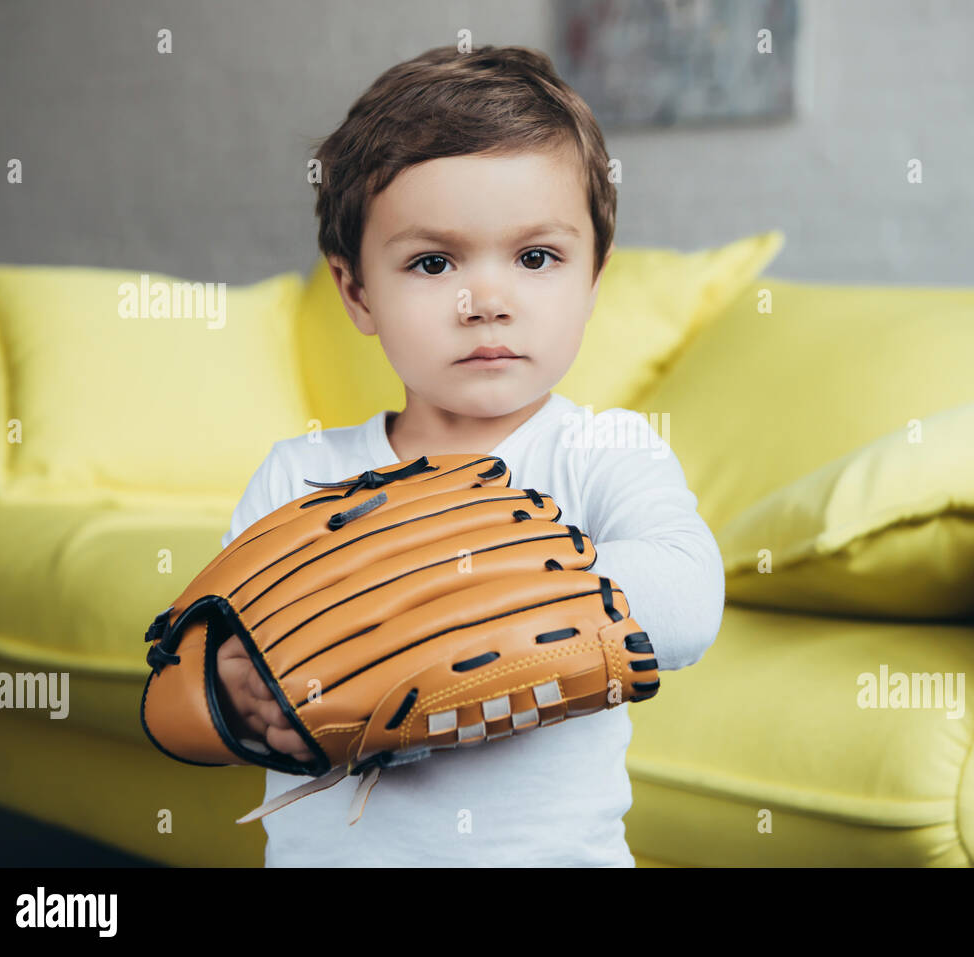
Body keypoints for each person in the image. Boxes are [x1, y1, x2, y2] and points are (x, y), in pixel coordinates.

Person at [212, 44, 724, 867]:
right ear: (355, 291)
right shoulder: (298, 475)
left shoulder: (603, 450)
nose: (484, 300)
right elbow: (217, 670)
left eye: (535, 258)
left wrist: (449, 604)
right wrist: (235, 696)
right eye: (432, 261)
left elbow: (688, 598)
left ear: (593, 279)